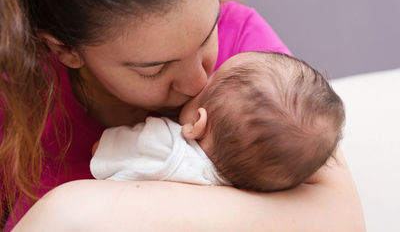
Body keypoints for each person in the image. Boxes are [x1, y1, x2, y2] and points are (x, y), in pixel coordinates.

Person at [0, 0, 364, 231]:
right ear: (65, 51)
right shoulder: (18, 96)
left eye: (208, 34)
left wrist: (70, 213)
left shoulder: (250, 64)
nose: (199, 81)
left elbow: (342, 218)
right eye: (154, 68)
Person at [90, 52, 345, 192]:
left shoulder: (163, 144)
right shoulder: (244, 195)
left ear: (198, 123)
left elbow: (100, 151)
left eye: (211, 81)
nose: (201, 78)